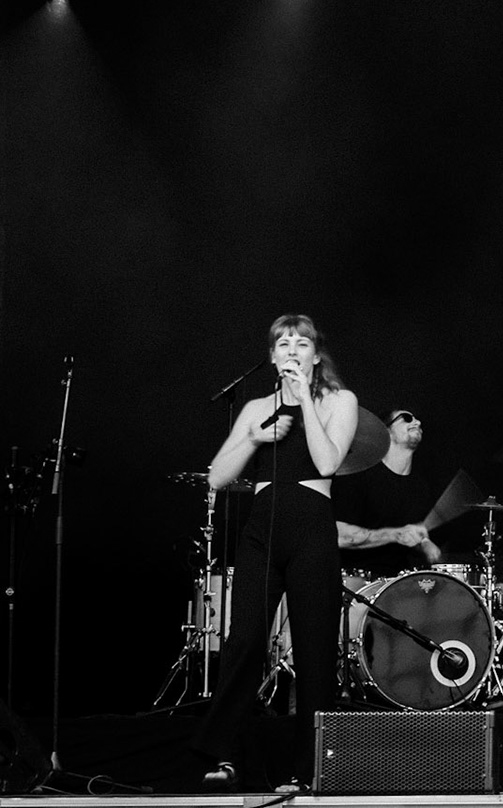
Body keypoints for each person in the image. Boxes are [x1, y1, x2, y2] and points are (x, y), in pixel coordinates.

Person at [193, 314, 358, 790]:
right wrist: (252, 437)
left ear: (315, 354)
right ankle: (225, 754)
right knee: (244, 641)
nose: (291, 350)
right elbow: (217, 478)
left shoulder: (339, 400)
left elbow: (328, 461)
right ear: (271, 355)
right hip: (262, 528)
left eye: (301, 343)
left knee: (314, 648)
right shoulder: (255, 408)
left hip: (310, 525)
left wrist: (304, 396)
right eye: (282, 343)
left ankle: (308, 768)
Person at [334, 409, 443, 576]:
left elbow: (410, 532)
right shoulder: (358, 475)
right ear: (387, 431)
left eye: (418, 419)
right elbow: (340, 536)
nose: (418, 423)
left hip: (397, 583)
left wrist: (424, 543)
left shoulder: (420, 487)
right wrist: (395, 534)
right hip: (354, 581)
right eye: (407, 418)